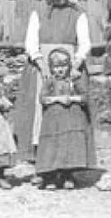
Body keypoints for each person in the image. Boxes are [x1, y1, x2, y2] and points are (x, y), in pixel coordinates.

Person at [11, 0, 96, 181]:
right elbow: (30, 43)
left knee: (68, 116)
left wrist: (75, 65)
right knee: (40, 117)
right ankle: (43, 166)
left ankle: (68, 164)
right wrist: (41, 63)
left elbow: (84, 44)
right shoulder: (38, 13)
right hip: (42, 69)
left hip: (70, 70)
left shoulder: (78, 14)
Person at [35, 48, 92, 190]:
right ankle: (51, 178)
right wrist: (57, 99)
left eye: (63, 66)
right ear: (51, 67)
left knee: (68, 146)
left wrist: (72, 98)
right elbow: (42, 98)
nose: (59, 70)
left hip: (70, 121)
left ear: (69, 66)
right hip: (52, 122)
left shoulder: (75, 80)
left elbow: (85, 97)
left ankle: (68, 175)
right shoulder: (50, 82)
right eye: (56, 67)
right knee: (52, 147)